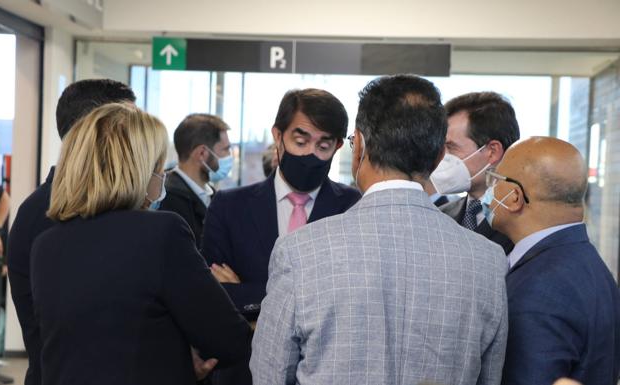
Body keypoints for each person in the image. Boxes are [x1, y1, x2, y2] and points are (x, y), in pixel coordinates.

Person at [250, 75, 508, 385]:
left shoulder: (301, 250)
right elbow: (491, 379)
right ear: (440, 155)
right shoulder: (488, 260)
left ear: (358, 145)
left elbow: (270, 375)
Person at [31, 102, 252, 385]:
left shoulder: (46, 245)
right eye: (159, 167)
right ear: (139, 171)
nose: (162, 176)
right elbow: (228, 340)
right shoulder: (161, 233)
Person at [201, 88, 361, 385]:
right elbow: (212, 296)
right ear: (278, 135)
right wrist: (311, 301)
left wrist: (248, 296)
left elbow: (352, 301)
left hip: (326, 372)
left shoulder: (353, 207)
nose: (311, 154)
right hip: (242, 371)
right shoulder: (228, 207)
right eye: (300, 141)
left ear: (338, 146)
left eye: (323, 146)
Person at [7, 79, 136, 385]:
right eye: (129, 128)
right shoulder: (48, 213)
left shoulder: (97, 204)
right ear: (96, 130)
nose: (136, 140)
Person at [481, 137, 620, 385]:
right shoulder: (587, 263)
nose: (489, 190)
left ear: (515, 197)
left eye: (496, 180)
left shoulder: (539, 289)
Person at [432, 92, 519, 254]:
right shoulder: (440, 216)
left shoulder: (525, 221)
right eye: (441, 148)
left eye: (451, 147)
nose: (442, 158)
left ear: (492, 151)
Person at [160, 114, 232, 251]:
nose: (229, 157)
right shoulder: (167, 200)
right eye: (225, 150)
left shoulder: (213, 196)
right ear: (202, 154)